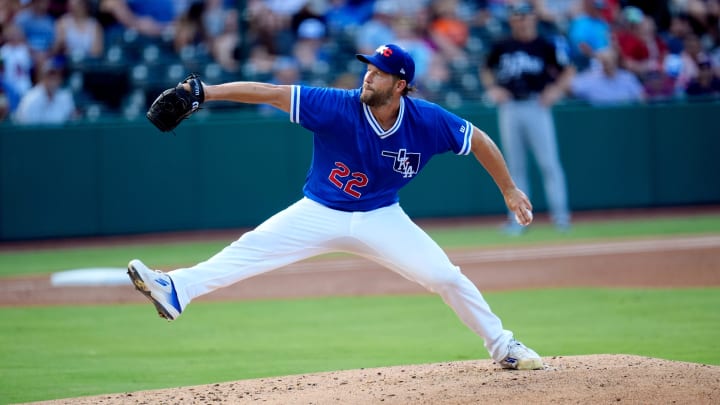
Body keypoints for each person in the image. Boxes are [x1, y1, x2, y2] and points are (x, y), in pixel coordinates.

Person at [127, 43, 544, 371]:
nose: (368, 75)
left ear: (399, 85)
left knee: (445, 276)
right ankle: (176, 289)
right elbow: (271, 94)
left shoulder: (428, 120)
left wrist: (509, 190)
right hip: (319, 211)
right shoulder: (337, 104)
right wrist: (206, 92)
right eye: (368, 67)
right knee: (248, 250)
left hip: (381, 216)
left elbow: (480, 141)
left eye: (378, 73)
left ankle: (503, 345)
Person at [480, 2, 574, 234]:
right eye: (517, 16)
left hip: (535, 104)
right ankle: (518, 221)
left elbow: (568, 70)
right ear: (512, 20)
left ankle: (561, 218)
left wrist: (555, 91)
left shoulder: (545, 44)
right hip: (511, 106)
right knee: (514, 167)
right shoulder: (503, 45)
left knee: (549, 163)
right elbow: (486, 68)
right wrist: (493, 88)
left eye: (525, 16)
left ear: (533, 18)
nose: (521, 20)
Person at [570, 48, 645, 105]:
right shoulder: (589, 78)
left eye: (611, 61)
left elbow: (642, 100)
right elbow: (569, 88)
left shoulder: (628, 78)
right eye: (605, 62)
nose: (608, 65)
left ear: (616, 61)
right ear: (599, 62)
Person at [13, 58, 76, 124]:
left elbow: (71, 121)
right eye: (49, 76)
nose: (53, 80)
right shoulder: (30, 99)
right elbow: (25, 127)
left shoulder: (65, 97)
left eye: (55, 75)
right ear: (42, 77)